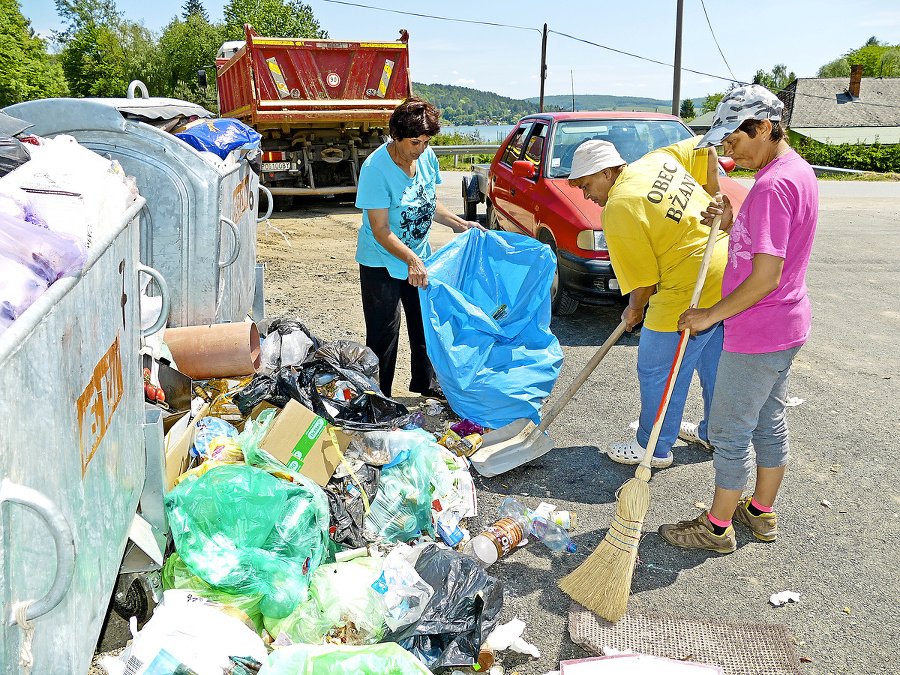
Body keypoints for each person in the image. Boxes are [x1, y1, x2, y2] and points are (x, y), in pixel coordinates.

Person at [658, 84, 818, 553]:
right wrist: (732, 218)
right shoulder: (795, 171)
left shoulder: (772, 184)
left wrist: (708, 314)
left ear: (764, 128)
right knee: (769, 421)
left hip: (758, 330)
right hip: (786, 325)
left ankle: (717, 527)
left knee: (729, 431)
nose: (728, 149)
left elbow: (765, 277)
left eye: (735, 139)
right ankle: (761, 513)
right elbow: (770, 243)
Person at [567, 136, 728, 468]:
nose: (586, 195)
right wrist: (714, 194)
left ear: (608, 171)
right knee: (712, 360)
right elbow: (706, 145)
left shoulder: (619, 205)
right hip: (726, 270)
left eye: (586, 185)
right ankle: (717, 432)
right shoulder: (653, 161)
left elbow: (644, 282)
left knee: (658, 369)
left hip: (688, 286)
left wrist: (635, 309)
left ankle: (652, 447)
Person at [355, 96, 484, 399]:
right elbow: (380, 230)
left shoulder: (426, 157)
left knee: (426, 324)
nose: (421, 148)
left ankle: (425, 383)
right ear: (396, 136)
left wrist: (459, 223)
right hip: (381, 261)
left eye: (426, 141)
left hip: (419, 258)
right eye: (415, 142)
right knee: (383, 334)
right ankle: (379, 396)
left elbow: (429, 201)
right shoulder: (375, 169)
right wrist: (411, 258)